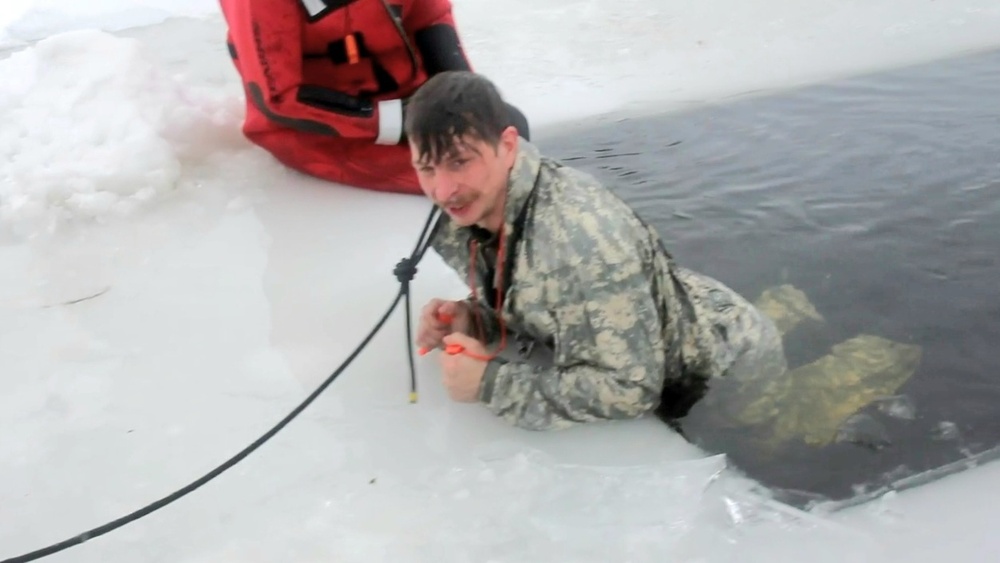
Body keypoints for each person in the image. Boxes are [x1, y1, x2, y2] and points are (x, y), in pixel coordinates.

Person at [408, 70, 922, 449]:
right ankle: (787, 308)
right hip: (675, 318)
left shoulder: (579, 242)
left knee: (775, 433)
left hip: (724, 365)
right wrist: (476, 318)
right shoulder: (474, 211)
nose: (444, 189)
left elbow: (629, 388)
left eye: (460, 161)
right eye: (427, 167)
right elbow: (539, 297)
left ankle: (880, 353)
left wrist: (493, 385)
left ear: (507, 146)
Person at [218, 0, 530, 194]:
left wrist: (462, 90)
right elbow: (279, 97)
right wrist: (405, 122)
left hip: (408, 93)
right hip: (324, 131)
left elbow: (428, 13)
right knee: (482, 171)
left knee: (507, 132)